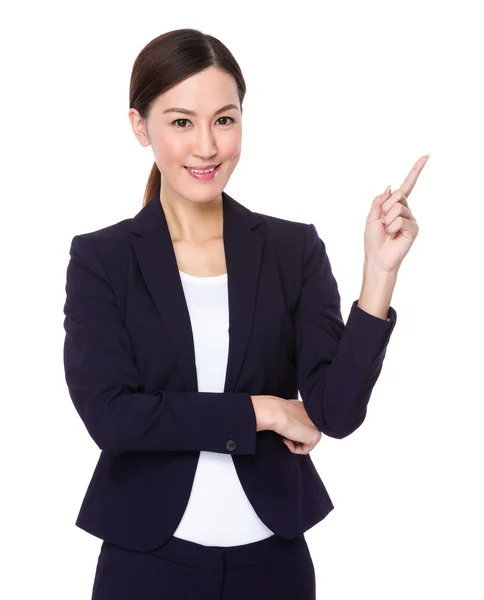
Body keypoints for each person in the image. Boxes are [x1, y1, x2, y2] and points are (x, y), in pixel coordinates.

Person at [63, 28, 427, 600]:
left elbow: (335, 411)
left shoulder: (292, 249)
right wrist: (263, 412)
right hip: (147, 562)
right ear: (140, 126)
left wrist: (379, 274)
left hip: (274, 566)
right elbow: (112, 417)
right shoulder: (102, 258)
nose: (206, 146)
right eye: (181, 122)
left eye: (224, 120)